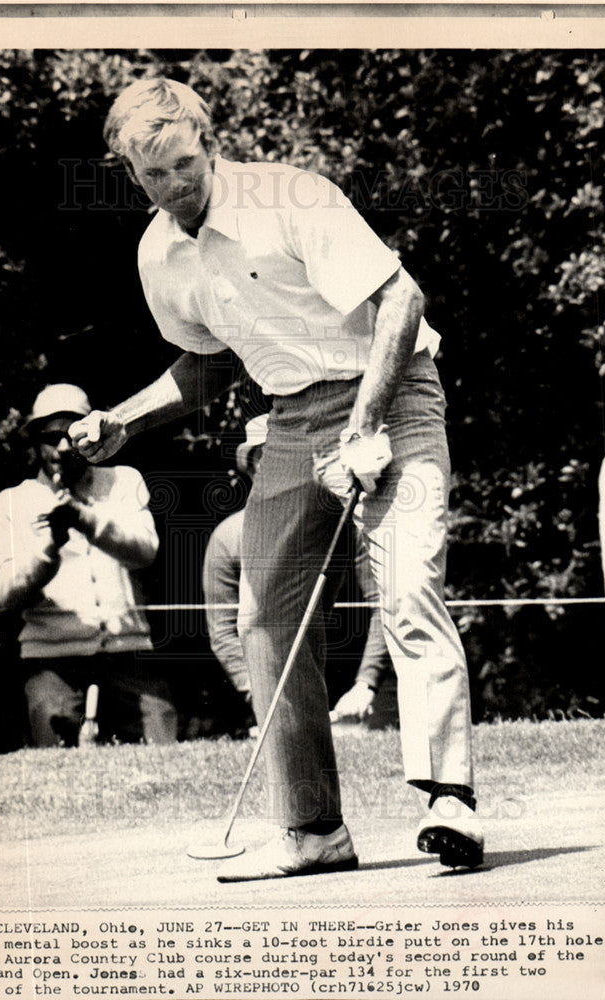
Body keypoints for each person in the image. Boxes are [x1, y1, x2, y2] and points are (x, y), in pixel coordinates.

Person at [70, 77, 483, 880]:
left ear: (210, 144)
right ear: (130, 173)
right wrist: (124, 419)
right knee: (262, 615)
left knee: (404, 588)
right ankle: (312, 829)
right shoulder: (159, 256)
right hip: (292, 419)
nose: (175, 185)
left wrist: (366, 421)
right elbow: (201, 364)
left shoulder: (290, 197)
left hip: (394, 392)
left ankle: (449, 800)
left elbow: (401, 299)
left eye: (185, 164)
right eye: (153, 175)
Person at [0, 383, 178, 747]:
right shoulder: (12, 501)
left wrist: (85, 520)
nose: (62, 447)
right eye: (51, 437)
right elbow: (4, 594)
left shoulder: (124, 480)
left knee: (163, 754)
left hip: (128, 651)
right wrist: (49, 551)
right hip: (53, 659)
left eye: (73, 435)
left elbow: (145, 551)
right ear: (35, 441)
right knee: (57, 772)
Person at [202, 414, 393, 725]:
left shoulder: (349, 523)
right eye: (265, 459)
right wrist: (261, 694)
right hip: (277, 692)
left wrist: (366, 683)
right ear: (252, 467)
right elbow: (223, 631)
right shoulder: (228, 537)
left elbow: (383, 603)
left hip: (358, 691)